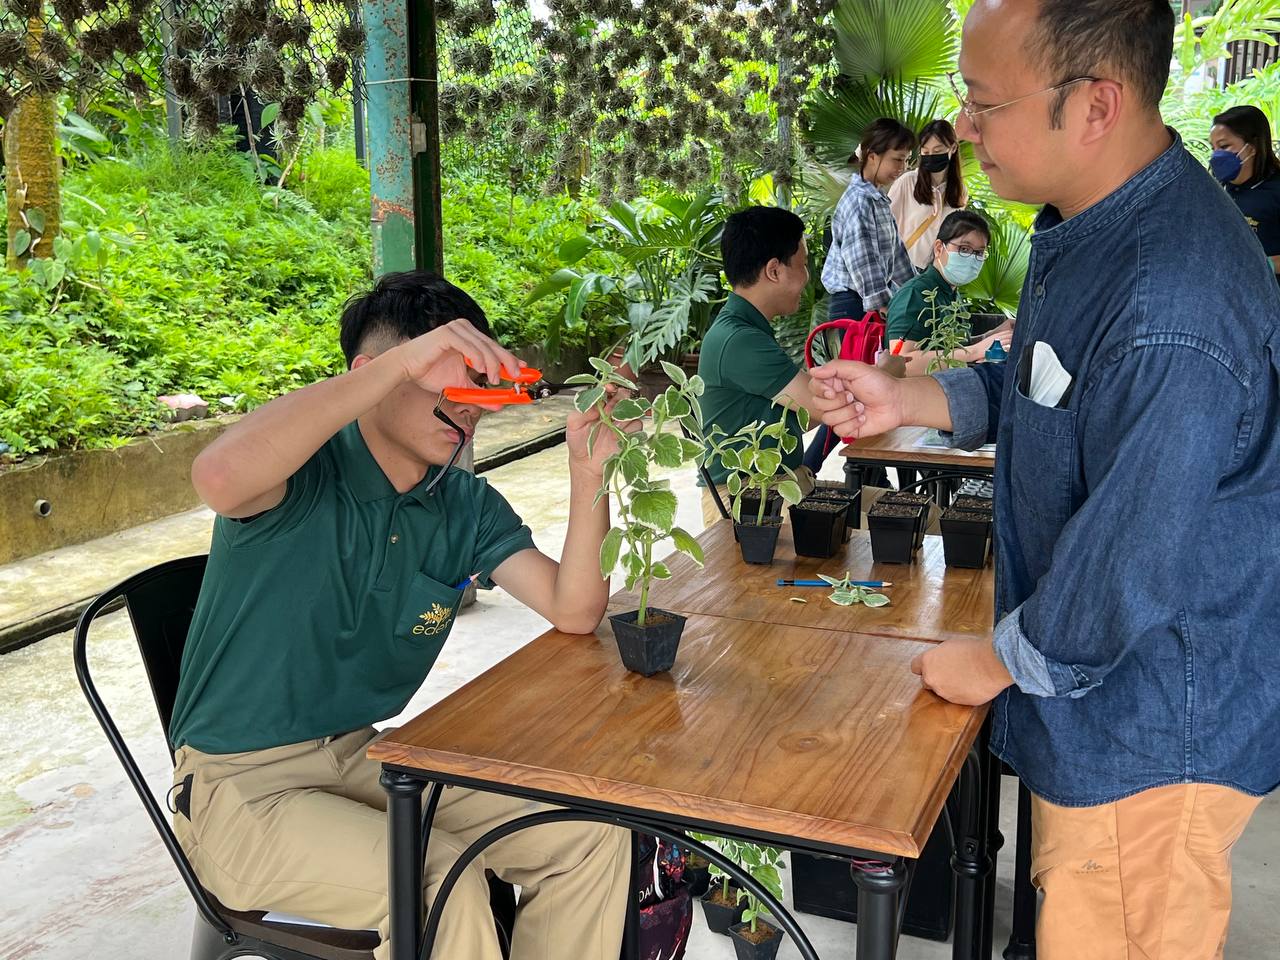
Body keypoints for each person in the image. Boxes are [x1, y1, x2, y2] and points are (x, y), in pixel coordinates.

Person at [808, 2, 1279, 958]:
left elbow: (1131, 556)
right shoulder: (1095, 224)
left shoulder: (1170, 295)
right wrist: (914, 400)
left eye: (984, 103)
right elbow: (1048, 384)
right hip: (1101, 715)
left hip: (1149, 738)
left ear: (1095, 104)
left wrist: (987, 663)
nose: (965, 132)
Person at [167, 272, 633, 960]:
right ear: (376, 374)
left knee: (588, 834)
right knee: (442, 881)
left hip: (365, 758)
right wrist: (403, 365)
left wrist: (590, 472)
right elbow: (217, 476)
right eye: (447, 378)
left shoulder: (462, 505)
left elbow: (572, 610)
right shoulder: (299, 473)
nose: (469, 407)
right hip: (239, 789)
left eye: (478, 386)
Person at [697, 206, 824, 527]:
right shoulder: (740, 340)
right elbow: (821, 409)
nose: (807, 276)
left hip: (776, 488)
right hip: (749, 501)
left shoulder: (744, 328)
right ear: (774, 270)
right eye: (803, 264)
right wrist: (885, 377)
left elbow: (801, 417)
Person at [809, 118, 917, 476]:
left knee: (865, 395)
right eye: (897, 160)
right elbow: (863, 260)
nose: (901, 169)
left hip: (870, 306)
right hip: (854, 307)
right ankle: (807, 471)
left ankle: (870, 476)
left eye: (905, 161)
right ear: (872, 156)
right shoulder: (857, 201)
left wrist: (914, 295)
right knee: (854, 396)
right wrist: (884, 304)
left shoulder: (876, 199)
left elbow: (898, 258)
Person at [884, 210, 1012, 375]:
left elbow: (950, 348)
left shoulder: (951, 294)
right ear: (939, 248)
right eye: (964, 249)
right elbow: (901, 363)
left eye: (979, 252)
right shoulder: (915, 294)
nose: (972, 258)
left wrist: (992, 336)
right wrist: (975, 351)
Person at [1210, 104, 1280, 283]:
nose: (1217, 156)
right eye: (1213, 148)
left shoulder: (1275, 191)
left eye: (1224, 146)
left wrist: (1265, 266)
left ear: (1252, 147)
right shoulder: (1219, 190)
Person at [889, 119, 970, 271]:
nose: (931, 156)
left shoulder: (960, 191)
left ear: (952, 148)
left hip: (933, 273)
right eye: (926, 152)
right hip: (901, 268)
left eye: (938, 151)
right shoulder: (907, 183)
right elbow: (884, 227)